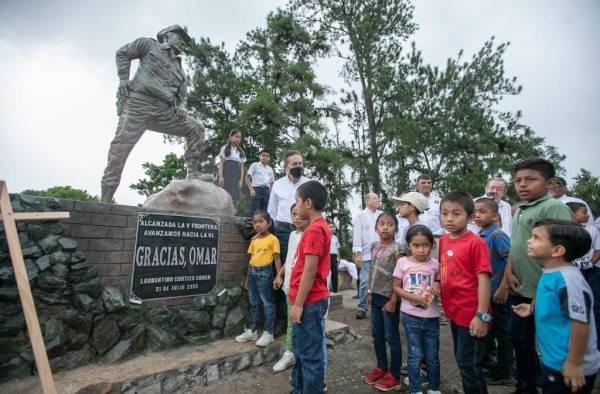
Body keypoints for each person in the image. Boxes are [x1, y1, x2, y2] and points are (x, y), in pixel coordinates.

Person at [100, 25, 205, 203]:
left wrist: (181, 106)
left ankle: (192, 171)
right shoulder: (148, 45)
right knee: (119, 150)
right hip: (138, 105)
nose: (182, 42)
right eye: (179, 37)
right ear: (166, 36)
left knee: (197, 127)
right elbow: (123, 53)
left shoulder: (180, 71)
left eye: (184, 41)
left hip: (164, 112)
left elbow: (182, 98)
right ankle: (106, 198)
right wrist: (124, 79)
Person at [504, 158, 573, 394]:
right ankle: (525, 386)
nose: (522, 185)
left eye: (530, 179)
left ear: (549, 182)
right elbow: (516, 245)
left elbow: (563, 251)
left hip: (544, 291)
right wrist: (508, 273)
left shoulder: (553, 208)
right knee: (520, 342)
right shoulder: (521, 208)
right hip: (520, 288)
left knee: (548, 343)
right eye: (518, 180)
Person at [512, 219, 600, 394]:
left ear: (558, 250)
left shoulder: (569, 281)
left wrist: (574, 363)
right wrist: (531, 308)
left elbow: (581, 323)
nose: (529, 241)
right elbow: (547, 294)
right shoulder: (551, 271)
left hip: (569, 366)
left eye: (536, 238)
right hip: (554, 359)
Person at [439, 191, 492, 394]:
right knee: (462, 360)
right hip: (454, 313)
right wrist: (437, 282)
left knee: (469, 364)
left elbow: (484, 280)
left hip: (472, 314)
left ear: (470, 217)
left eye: (456, 213)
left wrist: (481, 316)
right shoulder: (444, 240)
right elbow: (443, 267)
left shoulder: (476, 243)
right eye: (444, 213)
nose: (449, 219)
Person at [289, 180, 331, 394]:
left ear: (308, 203)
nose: (295, 207)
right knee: (301, 352)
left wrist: (298, 304)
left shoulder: (315, 230)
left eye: (297, 202)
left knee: (311, 357)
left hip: (310, 302)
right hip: (307, 301)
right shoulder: (314, 228)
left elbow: (310, 270)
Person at [393, 225, 441, 394]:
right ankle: (415, 389)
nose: (421, 250)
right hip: (410, 316)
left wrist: (436, 283)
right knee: (415, 355)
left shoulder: (435, 263)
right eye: (416, 245)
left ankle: (435, 388)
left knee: (432, 356)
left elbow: (440, 281)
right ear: (409, 245)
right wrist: (414, 298)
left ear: (431, 245)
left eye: (425, 245)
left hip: (432, 316)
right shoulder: (402, 262)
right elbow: (396, 287)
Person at [472, 198, 514, 385]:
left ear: (495, 215)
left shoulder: (497, 235)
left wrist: (504, 287)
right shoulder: (481, 235)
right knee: (490, 327)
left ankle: (505, 371)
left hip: (499, 294)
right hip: (487, 295)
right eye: (475, 212)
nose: (477, 215)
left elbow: (510, 261)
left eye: (483, 211)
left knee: (502, 331)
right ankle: (490, 362)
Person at [361, 213, 403, 391]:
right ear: (376, 227)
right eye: (382, 224)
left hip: (389, 298)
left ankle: (394, 375)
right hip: (375, 296)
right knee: (377, 334)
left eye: (390, 224)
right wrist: (369, 292)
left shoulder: (398, 249)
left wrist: (394, 299)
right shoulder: (374, 246)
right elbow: (372, 270)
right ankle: (381, 367)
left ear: (396, 229)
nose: (385, 227)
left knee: (391, 336)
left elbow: (400, 276)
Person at [267, 150, 308, 328]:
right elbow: (271, 212)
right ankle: (283, 320)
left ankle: (302, 313)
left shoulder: (310, 184)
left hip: (305, 232)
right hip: (283, 232)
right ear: (285, 167)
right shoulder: (277, 185)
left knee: (303, 270)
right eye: (294, 164)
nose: (298, 167)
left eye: (300, 163)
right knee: (283, 273)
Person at [236, 211, 282, 347]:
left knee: (267, 303)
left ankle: (269, 333)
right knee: (253, 303)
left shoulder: (273, 239)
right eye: (255, 222)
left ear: (269, 223)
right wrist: (247, 278)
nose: (257, 224)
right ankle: (253, 330)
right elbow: (251, 259)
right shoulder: (254, 240)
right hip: (252, 273)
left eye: (261, 221)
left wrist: (278, 276)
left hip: (265, 274)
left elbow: (277, 258)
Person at [273, 203, 307, 373]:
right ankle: (289, 353)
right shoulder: (293, 235)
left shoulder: (309, 235)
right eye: (294, 214)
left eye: (300, 213)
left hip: (302, 289)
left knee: (301, 322)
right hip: (289, 286)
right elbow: (289, 259)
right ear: (291, 217)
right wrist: (279, 275)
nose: (298, 217)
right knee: (290, 322)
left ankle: (302, 356)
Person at [567, 202, 600, 349]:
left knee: (593, 301)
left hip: (591, 271)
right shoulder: (566, 231)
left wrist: (590, 263)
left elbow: (598, 250)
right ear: (572, 214)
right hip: (572, 272)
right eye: (583, 212)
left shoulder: (593, 230)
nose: (587, 215)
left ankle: (595, 335)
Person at [352, 192, 382, 319]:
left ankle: (379, 305)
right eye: (375, 198)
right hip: (365, 254)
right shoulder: (361, 216)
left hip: (381, 254)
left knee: (380, 281)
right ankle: (362, 307)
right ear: (367, 201)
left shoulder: (381, 215)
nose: (378, 200)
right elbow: (357, 235)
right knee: (364, 281)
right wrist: (357, 253)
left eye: (378, 199)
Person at [218, 129, 246, 203]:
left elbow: (242, 167)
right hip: (226, 174)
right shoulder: (225, 148)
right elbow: (221, 164)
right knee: (224, 196)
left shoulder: (241, 152)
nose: (238, 139)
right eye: (236, 136)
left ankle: (231, 213)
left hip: (236, 175)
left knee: (234, 197)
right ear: (231, 137)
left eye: (240, 137)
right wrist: (221, 177)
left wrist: (241, 180)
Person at [246, 150, 275, 215]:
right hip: (256, 189)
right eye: (263, 155)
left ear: (269, 158)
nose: (265, 157)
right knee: (253, 209)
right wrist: (251, 189)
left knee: (265, 210)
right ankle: (251, 224)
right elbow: (247, 177)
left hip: (266, 190)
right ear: (260, 157)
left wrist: (270, 191)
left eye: (267, 156)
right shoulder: (255, 165)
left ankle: (263, 224)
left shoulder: (270, 168)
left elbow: (272, 182)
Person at [328, 219, 340, 293]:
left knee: (335, 274)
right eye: (329, 227)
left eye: (333, 227)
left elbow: (337, 249)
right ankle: (328, 289)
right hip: (327, 257)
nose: (331, 228)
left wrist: (339, 258)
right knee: (327, 274)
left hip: (334, 257)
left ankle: (335, 290)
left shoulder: (335, 238)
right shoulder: (325, 236)